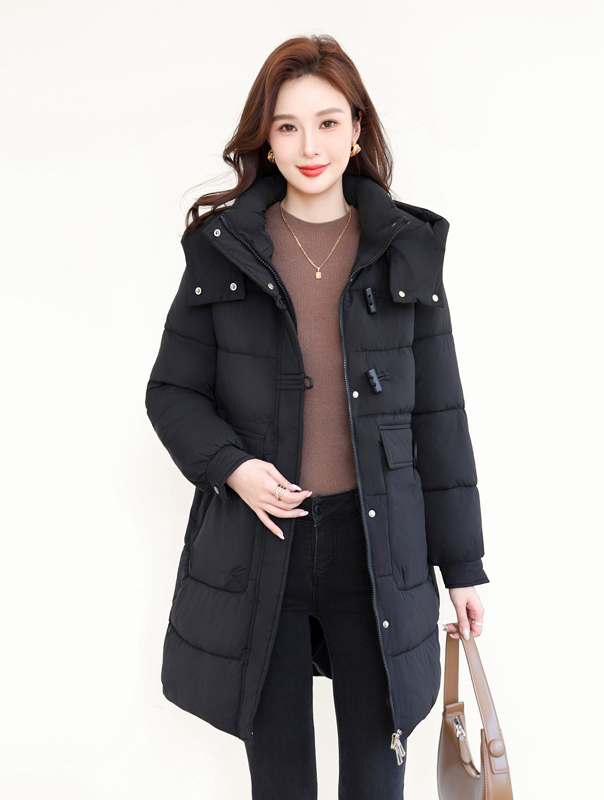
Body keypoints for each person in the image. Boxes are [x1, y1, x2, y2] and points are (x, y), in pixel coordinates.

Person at [145, 34, 489, 800]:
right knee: (281, 781)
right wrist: (234, 467)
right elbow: (172, 392)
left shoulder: (405, 250)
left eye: (328, 123)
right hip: (263, 543)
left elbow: (438, 415)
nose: (310, 146)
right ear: (265, 138)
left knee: (377, 773)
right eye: (289, 125)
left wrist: (462, 568)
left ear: (357, 129)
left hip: (378, 548)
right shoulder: (224, 251)